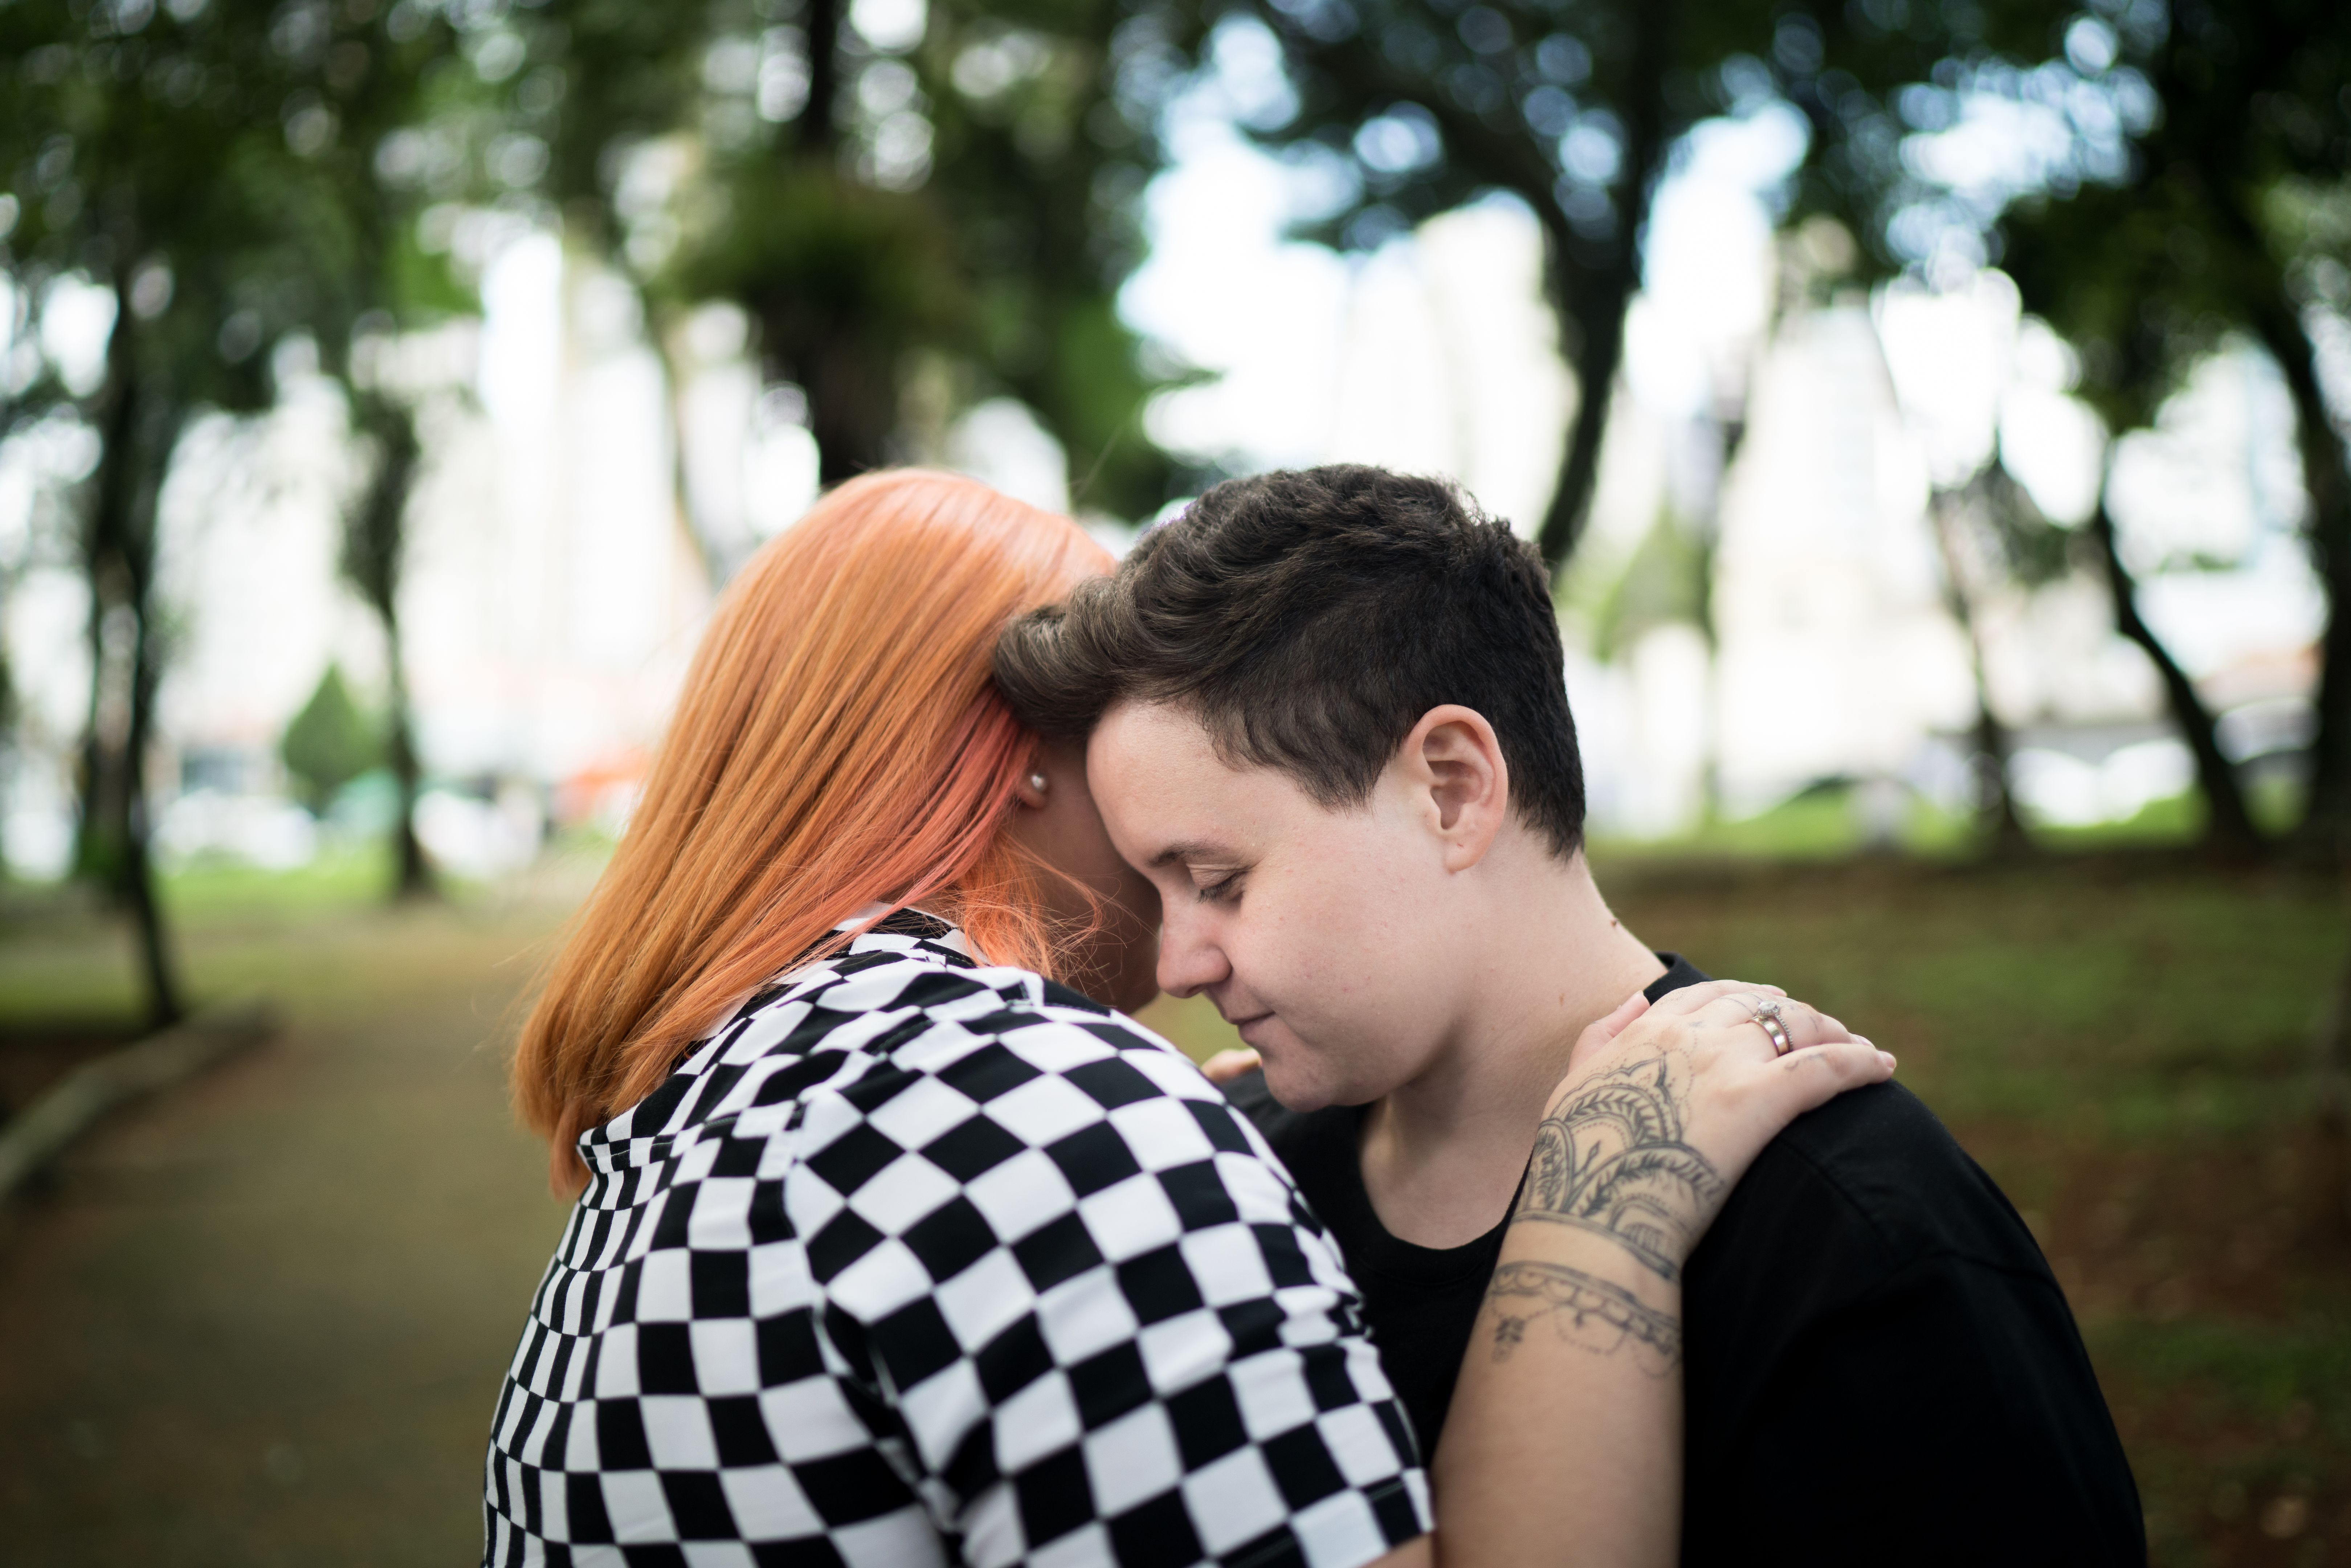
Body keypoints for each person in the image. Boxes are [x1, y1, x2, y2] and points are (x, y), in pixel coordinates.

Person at [484, 469, 1891, 1567]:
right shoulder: (1029, 1114)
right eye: (1146, 825)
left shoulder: (683, 1139)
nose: (1176, 949)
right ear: (1017, 760)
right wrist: (1600, 1212)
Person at [993, 464, 2148, 1567]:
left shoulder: (1852, 1225)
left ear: (1452, 788)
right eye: (1157, 892)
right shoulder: (1244, 1195)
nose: (1180, 962)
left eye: (1220, 879)